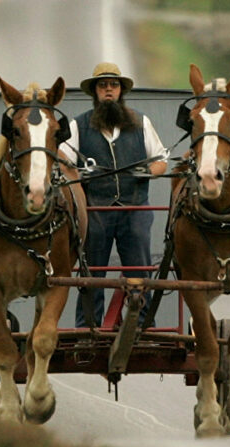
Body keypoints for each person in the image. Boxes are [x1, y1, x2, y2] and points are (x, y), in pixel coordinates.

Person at [60, 62, 167, 328]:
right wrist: (79, 172)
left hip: (135, 210)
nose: (109, 90)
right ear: (95, 92)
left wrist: (148, 171)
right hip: (95, 211)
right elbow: (63, 160)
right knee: (92, 270)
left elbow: (161, 160)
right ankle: (88, 326)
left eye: (114, 85)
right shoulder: (79, 125)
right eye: (103, 86)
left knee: (139, 269)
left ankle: (142, 325)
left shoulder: (141, 122)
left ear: (121, 91)